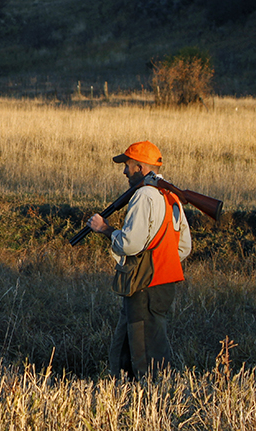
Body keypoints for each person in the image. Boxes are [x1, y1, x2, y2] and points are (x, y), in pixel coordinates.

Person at [88, 140, 192, 379]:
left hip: (144, 285)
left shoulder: (145, 195)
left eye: (128, 165)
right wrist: (160, 260)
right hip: (162, 285)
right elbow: (184, 247)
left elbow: (129, 243)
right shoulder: (171, 196)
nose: (125, 171)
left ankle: (154, 401)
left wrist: (105, 229)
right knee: (130, 346)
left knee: (146, 354)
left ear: (142, 168)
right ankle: (125, 398)